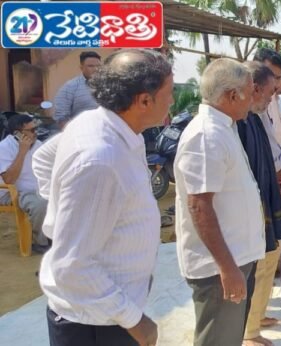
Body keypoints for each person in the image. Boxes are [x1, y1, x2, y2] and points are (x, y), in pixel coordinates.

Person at [36, 49, 173, 346]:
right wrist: (134, 321)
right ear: (144, 100)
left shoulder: (110, 126)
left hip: (109, 310)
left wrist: (65, 210)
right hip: (96, 322)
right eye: (169, 92)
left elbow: (43, 159)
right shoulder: (100, 158)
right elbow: (71, 265)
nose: (173, 101)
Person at [175, 58, 265, 346]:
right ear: (231, 95)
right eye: (250, 93)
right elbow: (199, 206)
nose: (253, 99)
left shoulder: (224, 127)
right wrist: (227, 268)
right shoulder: (206, 136)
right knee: (218, 340)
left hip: (236, 259)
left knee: (229, 338)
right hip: (221, 267)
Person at [238, 61, 281, 346]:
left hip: (267, 198)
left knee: (269, 261)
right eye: (270, 90)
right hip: (252, 208)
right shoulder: (237, 122)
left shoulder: (255, 118)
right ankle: (249, 331)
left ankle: (256, 317)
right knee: (257, 265)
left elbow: (270, 154)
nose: (272, 97)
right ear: (255, 88)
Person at [0, 114, 48, 251]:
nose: (36, 133)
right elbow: (8, 180)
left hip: (37, 188)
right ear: (17, 134)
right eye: (31, 130)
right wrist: (22, 152)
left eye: (36, 129)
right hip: (14, 191)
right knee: (41, 204)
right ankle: (41, 243)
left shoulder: (38, 144)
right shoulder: (4, 148)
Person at [52, 51, 101, 126]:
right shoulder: (70, 87)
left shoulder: (107, 85)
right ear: (81, 68)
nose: (96, 69)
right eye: (91, 66)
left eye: (98, 66)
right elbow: (61, 118)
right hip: (82, 132)